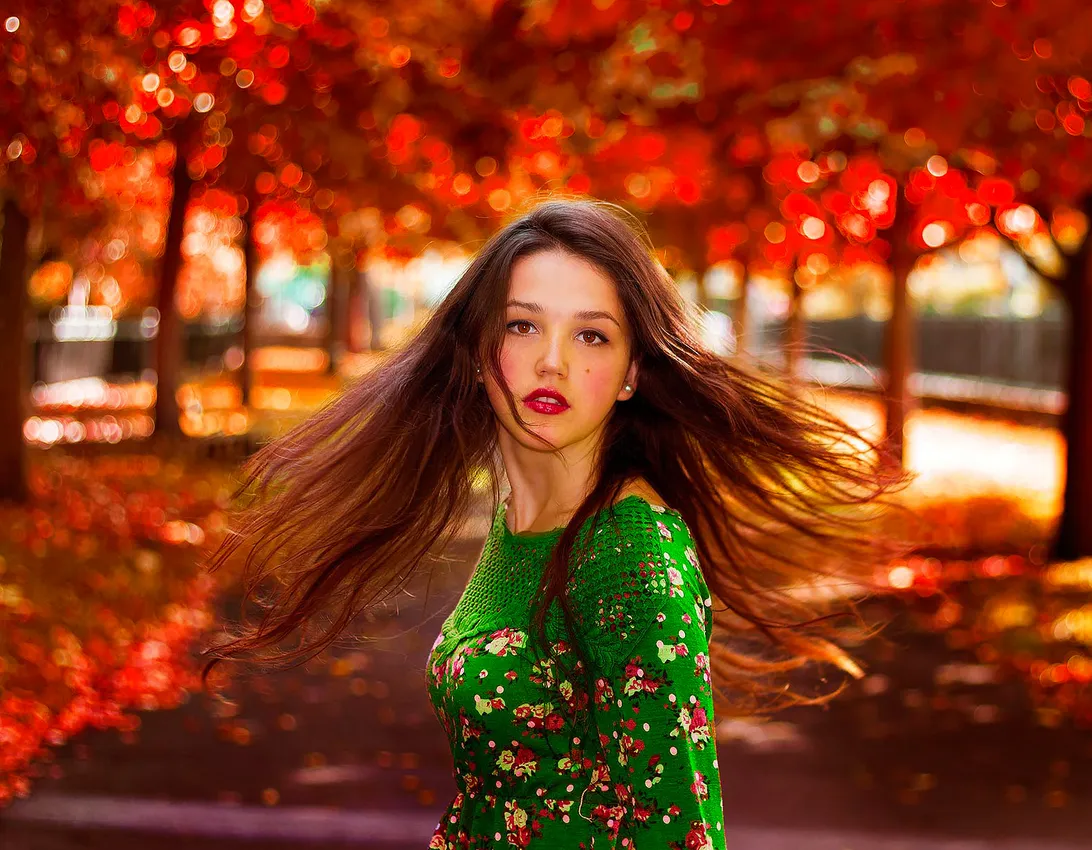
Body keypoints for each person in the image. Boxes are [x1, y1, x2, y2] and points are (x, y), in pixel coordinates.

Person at [205, 199, 906, 849]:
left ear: (632, 372)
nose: (553, 361)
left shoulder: (629, 553)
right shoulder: (525, 518)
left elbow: (681, 833)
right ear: (481, 352)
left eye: (592, 336)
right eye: (523, 325)